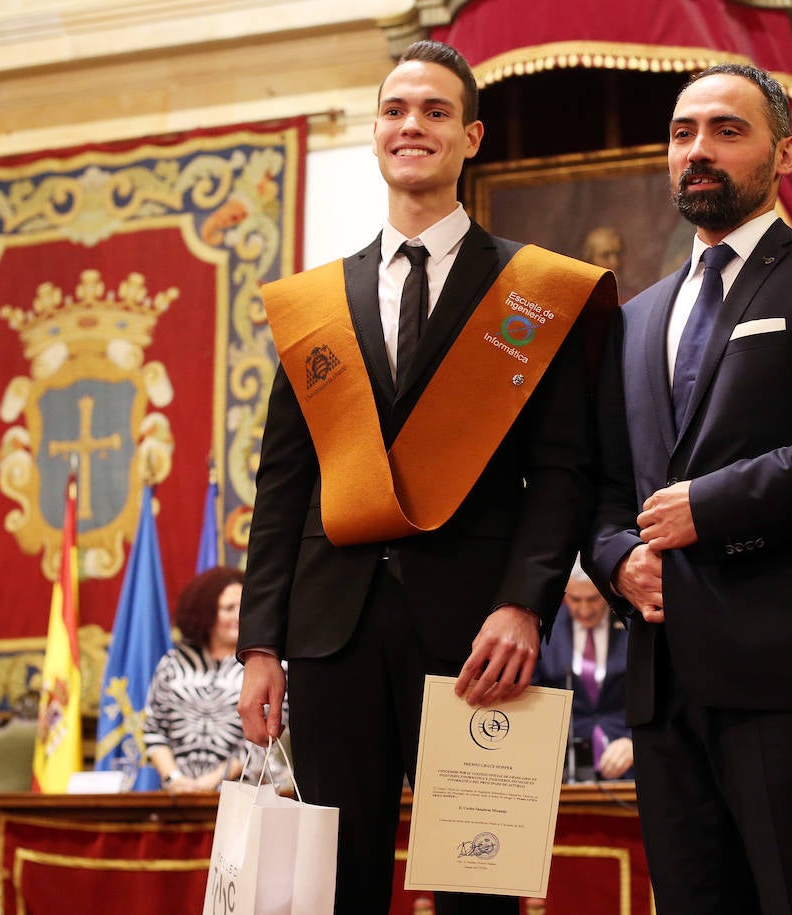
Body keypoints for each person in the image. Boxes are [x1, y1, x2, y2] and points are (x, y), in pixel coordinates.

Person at [236, 40, 613, 915]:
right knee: (335, 889)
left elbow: (562, 472)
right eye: (396, 110)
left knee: (478, 886)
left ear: (472, 136)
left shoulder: (531, 291)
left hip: (481, 637)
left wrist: (526, 604)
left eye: (436, 111)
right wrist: (262, 642)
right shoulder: (315, 304)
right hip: (331, 633)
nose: (413, 126)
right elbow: (284, 485)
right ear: (375, 132)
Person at [587, 63, 792, 914]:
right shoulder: (634, 318)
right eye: (682, 132)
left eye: (725, 131)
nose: (698, 150)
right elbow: (603, 489)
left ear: (783, 152)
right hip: (663, 692)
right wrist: (618, 557)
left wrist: (713, 503)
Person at [143, 566, 246, 794]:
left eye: (244, 607)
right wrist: (175, 779)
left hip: (239, 797)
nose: (239, 616)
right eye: (229, 608)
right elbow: (154, 729)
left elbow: (263, 739)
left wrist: (207, 784)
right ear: (205, 612)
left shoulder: (262, 667)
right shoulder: (173, 663)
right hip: (177, 798)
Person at [533, 563, 633, 780]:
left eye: (594, 599)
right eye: (575, 600)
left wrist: (635, 742)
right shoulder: (544, 628)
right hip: (563, 764)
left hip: (629, 762)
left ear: (607, 591)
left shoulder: (633, 623)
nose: (585, 610)